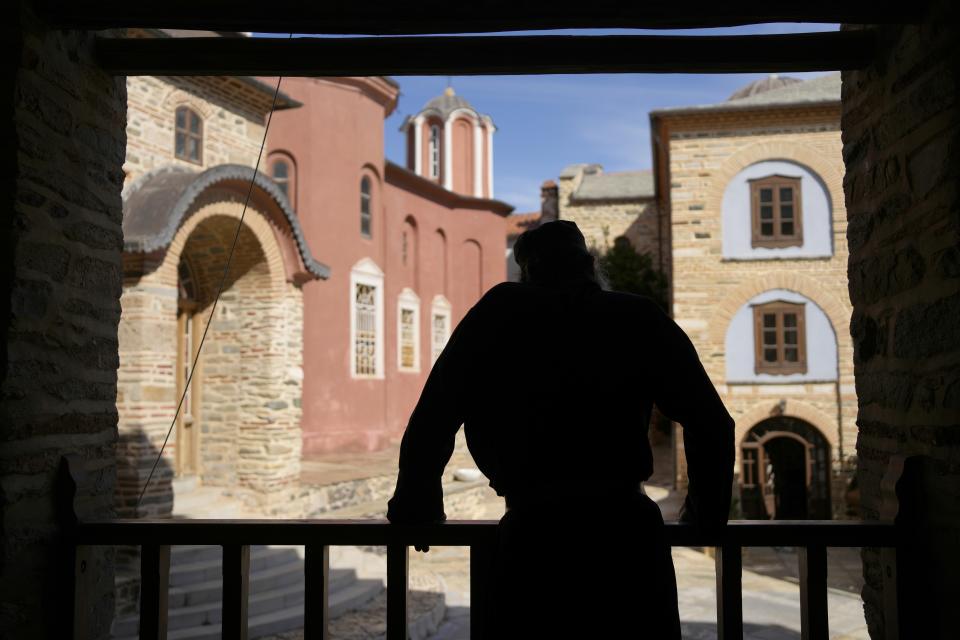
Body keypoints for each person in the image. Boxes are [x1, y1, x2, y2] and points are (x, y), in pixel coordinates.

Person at [387, 220, 734, 638]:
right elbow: (711, 421)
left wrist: (416, 506)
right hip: (626, 541)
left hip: (534, 539)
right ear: (589, 264)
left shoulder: (498, 312)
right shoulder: (637, 316)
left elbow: (434, 415)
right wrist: (705, 516)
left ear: (528, 272)